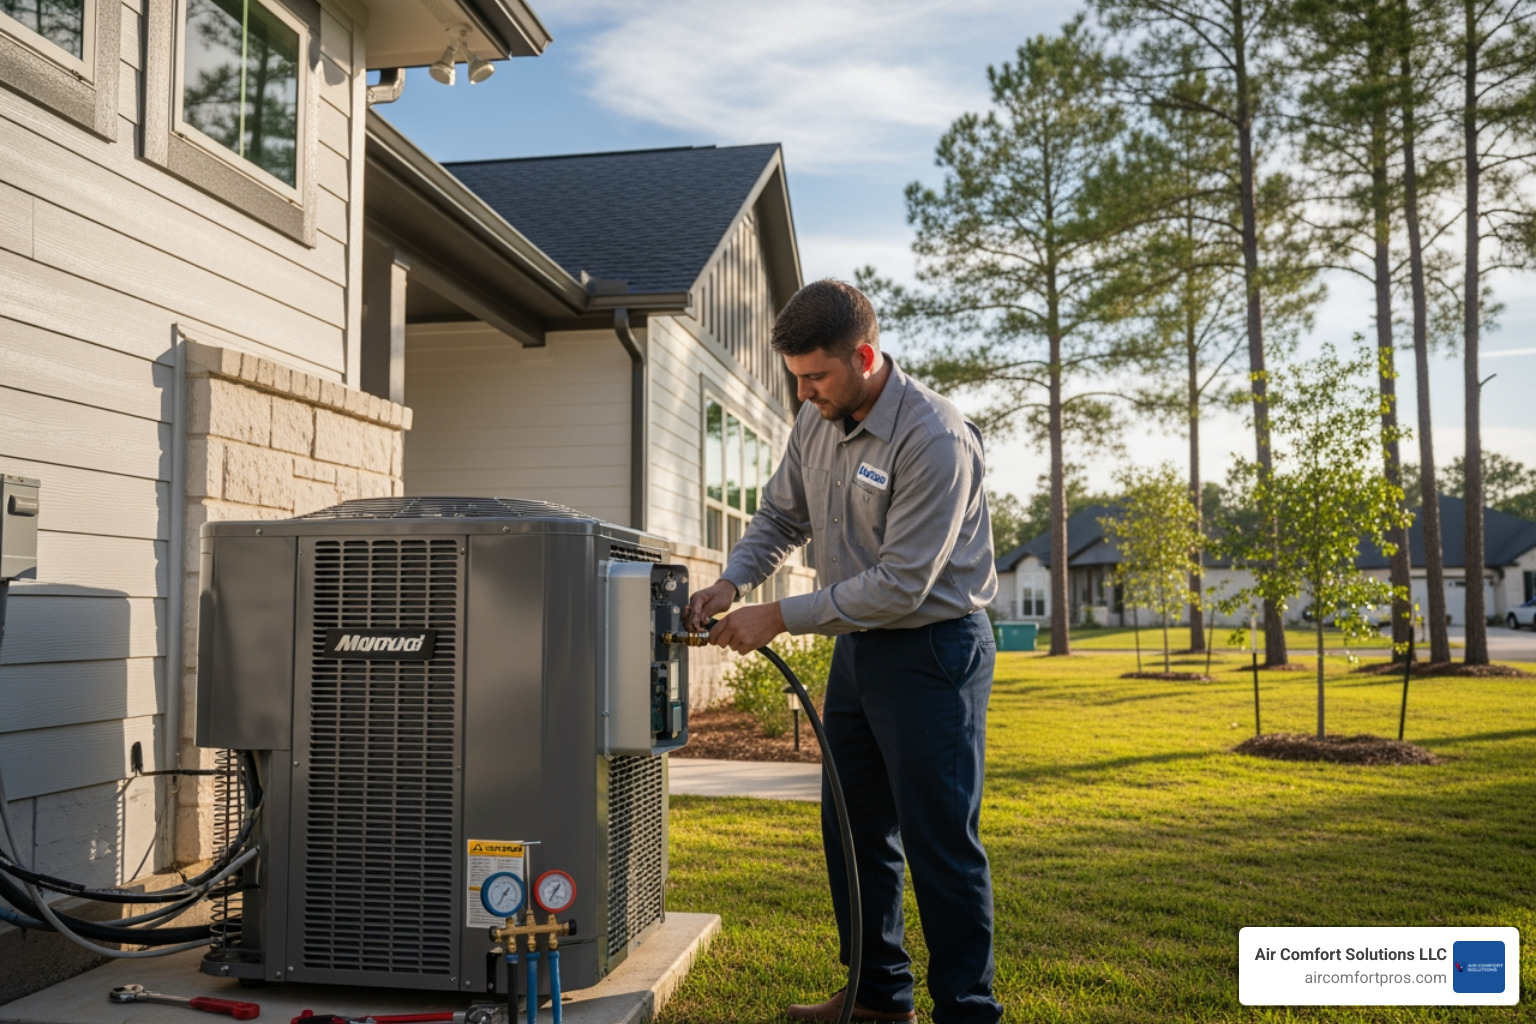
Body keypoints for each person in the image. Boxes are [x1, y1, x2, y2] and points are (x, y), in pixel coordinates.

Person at [685, 280, 1002, 1024]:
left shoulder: (935, 437)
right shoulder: (815, 420)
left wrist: (780, 615)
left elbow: (901, 583)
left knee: (939, 842)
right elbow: (779, 515)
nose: (804, 392)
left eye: (816, 376)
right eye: (795, 378)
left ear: (865, 355)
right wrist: (733, 582)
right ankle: (878, 996)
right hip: (860, 652)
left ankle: (967, 1010)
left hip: (934, 651)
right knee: (854, 830)